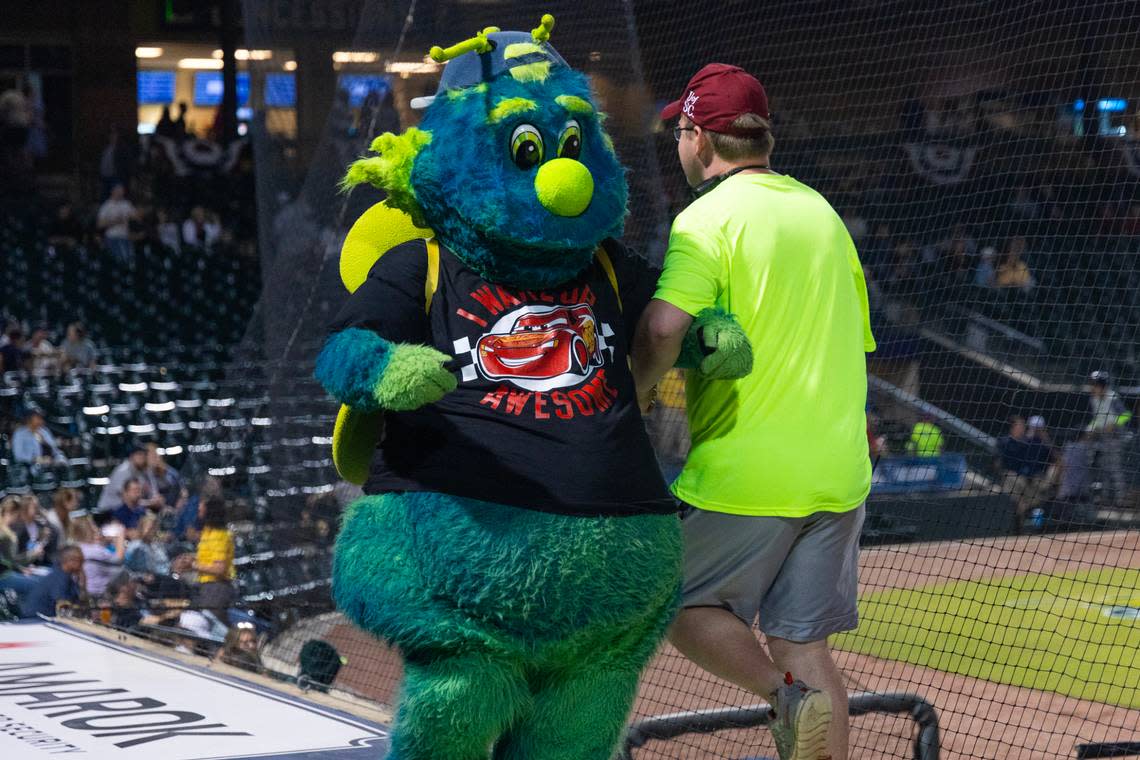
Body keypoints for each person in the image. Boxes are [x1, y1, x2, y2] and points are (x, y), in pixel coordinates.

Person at [634, 63, 876, 760]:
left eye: (680, 133)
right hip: (839, 471)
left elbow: (660, 327)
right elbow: (856, 341)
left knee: (669, 598)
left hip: (750, 472)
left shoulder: (705, 219)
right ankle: (801, 708)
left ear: (699, 137)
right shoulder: (823, 214)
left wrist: (638, 392)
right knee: (803, 642)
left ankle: (781, 697)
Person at [1086, 370, 1132, 506]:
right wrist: (1090, 429)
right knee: (1103, 468)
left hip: (1116, 437)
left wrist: (1114, 424)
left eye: (1095, 385)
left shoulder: (1113, 397)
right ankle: (1104, 498)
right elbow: (1097, 419)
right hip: (1102, 438)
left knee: (1115, 468)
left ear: (1102, 386)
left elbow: (1126, 415)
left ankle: (1121, 498)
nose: (1093, 387)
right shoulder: (1093, 399)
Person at [194, 497, 235, 623]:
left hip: (216, 587)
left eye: (201, 508)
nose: (198, 510)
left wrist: (193, 565)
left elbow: (219, 568)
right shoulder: (207, 532)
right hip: (206, 585)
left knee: (211, 623)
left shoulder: (220, 535)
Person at [20, 544, 84, 619]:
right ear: (71, 560)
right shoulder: (59, 578)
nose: (82, 564)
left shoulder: (65, 576)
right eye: (80, 561)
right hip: (36, 619)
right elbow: (63, 603)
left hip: (43, 618)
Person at [70, 514, 125, 600]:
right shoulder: (96, 550)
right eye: (93, 526)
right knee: (126, 577)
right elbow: (119, 559)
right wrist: (120, 535)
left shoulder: (73, 549)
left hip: (79, 593)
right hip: (99, 596)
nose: (96, 529)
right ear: (89, 530)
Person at [96, 182, 141, 265]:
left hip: (125, 237)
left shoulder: (126, 204)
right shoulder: (106, 206)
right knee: (120, 261)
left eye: (122, 190)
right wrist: (115, 221)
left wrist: (134, 215)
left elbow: (137, 217)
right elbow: (100, 224)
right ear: (113, 191)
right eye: (119, 190)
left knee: (131, 260)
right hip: (112, 238)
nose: (121, 192)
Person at [97, 445, 148, 511]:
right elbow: (128, 498)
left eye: (144, 455)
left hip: (123, 510)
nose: (142, 458)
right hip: (109, 510)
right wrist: (149, 503)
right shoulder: (123, 471)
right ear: (131, 456)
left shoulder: (140, 471)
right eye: (139, 455)